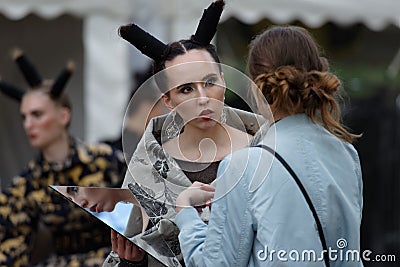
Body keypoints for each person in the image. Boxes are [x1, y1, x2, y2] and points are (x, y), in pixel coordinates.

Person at [175, 25, 364, 266]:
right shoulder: (347, 154)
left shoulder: (243, 166)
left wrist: (186, 214)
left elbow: (218, 264)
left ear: (255, 88)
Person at [103, 1, 267, 266]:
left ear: (224, 80)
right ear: (168, 100)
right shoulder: (148, 168)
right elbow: (126, 251)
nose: (203, 98)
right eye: (186, 89)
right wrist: (132, 261)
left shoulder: (265, 149)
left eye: (210, 83)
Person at [0, 50, 126, 266]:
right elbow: (10, 253)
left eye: (37, 114)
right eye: (24, 117)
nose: (28, 124)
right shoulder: (26, 185)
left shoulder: (106, 162)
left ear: (63, 116)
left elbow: (146, 215)